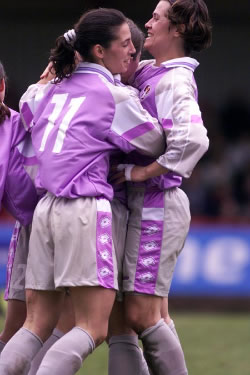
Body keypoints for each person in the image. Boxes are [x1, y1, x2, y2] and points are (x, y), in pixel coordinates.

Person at [0, 8, 165, 375]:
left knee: (34, 326)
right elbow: (154, 142)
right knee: (93, 327)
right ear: (99, 51)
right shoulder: (114, 95)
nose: (132, 53)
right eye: (124, 45)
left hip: (43, 212)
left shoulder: (45, 91)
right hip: (85, 209)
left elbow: (26, 108)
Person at [111, 1, 212, 374]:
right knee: (131, 314)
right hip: (142, 204)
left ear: (179, 29)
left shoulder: (174, 80)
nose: (147, 23)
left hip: (157, 203)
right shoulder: (153, 73)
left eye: (157, 17)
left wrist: (141, 173)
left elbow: (192, 141)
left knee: (140, 313)